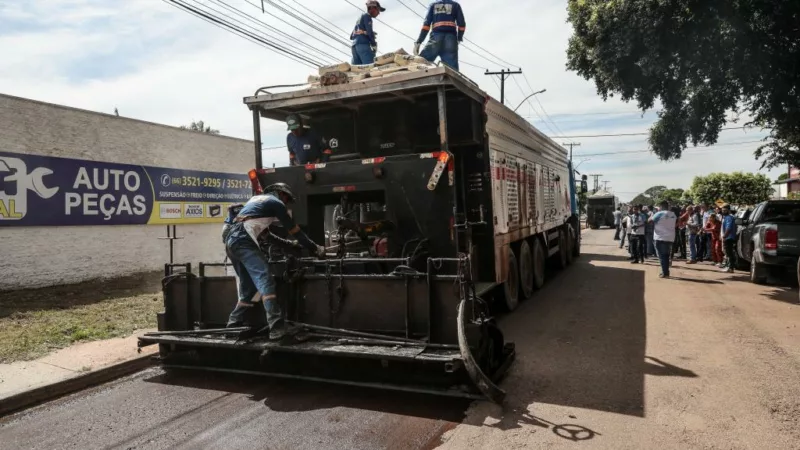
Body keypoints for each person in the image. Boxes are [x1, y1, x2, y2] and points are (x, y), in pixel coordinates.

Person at [225, 183, 326, 339]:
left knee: (248, 288)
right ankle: (277, 327)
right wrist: (315, 248)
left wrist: (290, 245)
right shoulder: (276, 203)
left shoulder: (255, 202)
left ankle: (233, 324)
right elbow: (295, 230)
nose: (286, 202)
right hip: (244, 240)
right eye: (286, 199)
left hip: (231, 242)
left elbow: (269, 237)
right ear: (281, 193)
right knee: (265, 280)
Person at [414, 0, 466, 71]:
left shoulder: (433, 5)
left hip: (435, 39)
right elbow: (462, 25)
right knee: (452, 71)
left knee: (421, 65)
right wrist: (459, 38)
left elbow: (426, 26)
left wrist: (419, 42)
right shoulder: (456, 5)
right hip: (451, 40)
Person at [350, 1, 385, 65]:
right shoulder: (367, 16)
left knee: (357, 70)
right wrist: (374, 45)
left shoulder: (360, 17)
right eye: (378, 10)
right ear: (372, 8)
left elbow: (351, 36)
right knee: (370, 68)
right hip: (363, 45)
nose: (379, 13)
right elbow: (370, 33)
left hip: (354, 47)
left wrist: (364, 32)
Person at [650, 200, 678, 278]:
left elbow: (649, 221)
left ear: (661, 206)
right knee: (666, 255)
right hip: (670, 237)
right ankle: (666, 271)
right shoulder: (673, 214)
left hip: (660, 238)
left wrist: (652, 215)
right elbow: (676, 223)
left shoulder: (659, 213)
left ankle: (665, 273)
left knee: (662, 256)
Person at [721, 204, 738, 273]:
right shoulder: (726, 217)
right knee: (728, 253)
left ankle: (730, 268)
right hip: (728, 237)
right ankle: (729, 267)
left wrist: (724, 236)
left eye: (725, 210)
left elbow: (729, 228)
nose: (723, 211)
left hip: (729, 237)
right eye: (722, 210)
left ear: (728, 210)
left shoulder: (729, 218)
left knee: (729, 253)